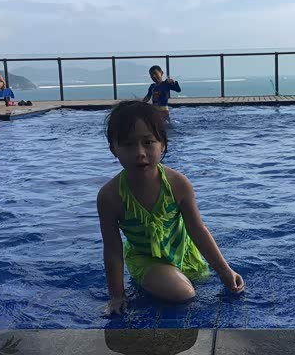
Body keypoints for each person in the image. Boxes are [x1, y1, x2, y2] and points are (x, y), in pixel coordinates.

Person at [97, 101, 244, 315]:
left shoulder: (178, 184)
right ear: (114, 150)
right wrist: (116, 296)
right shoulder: (110, 197)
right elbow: (112, 249)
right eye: (128, 145)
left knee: (200, 286)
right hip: (146, 259)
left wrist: (225, 271)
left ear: (163, 144)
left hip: (185, 254)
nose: (140, 152)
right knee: (183, 293)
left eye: (148, 142)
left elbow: (197, 229)